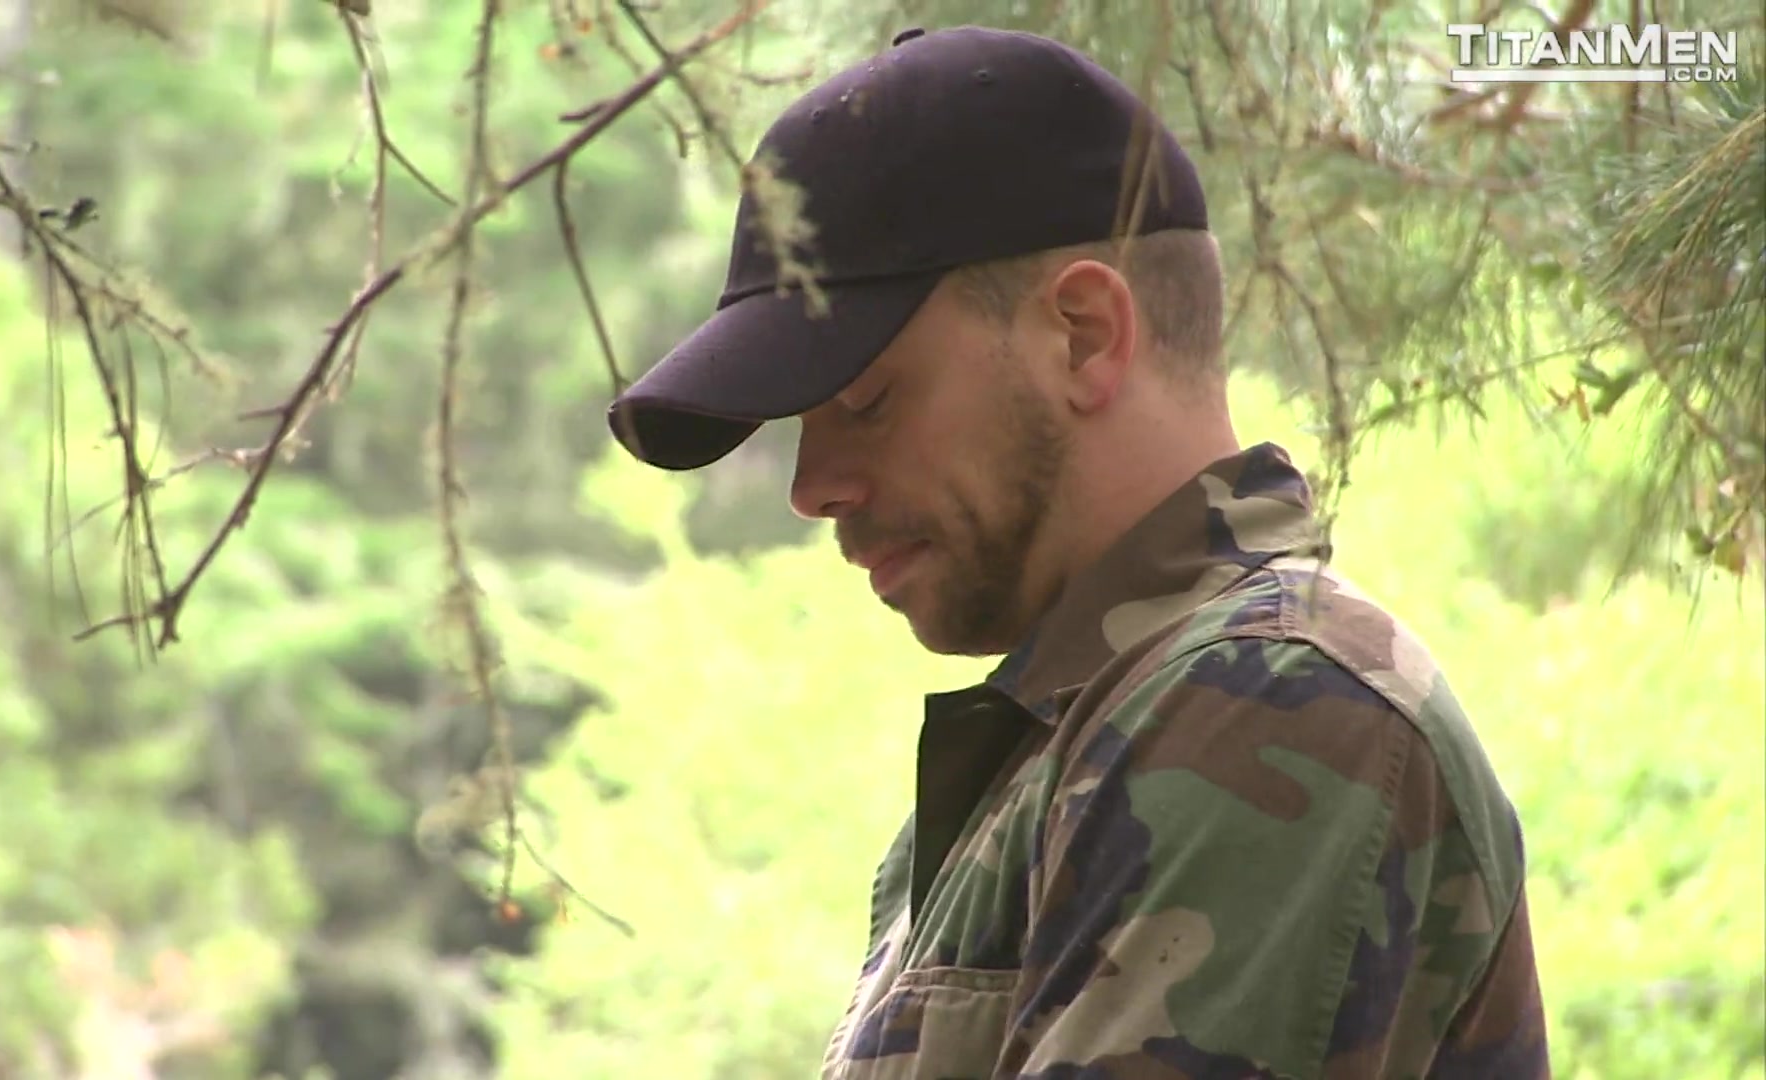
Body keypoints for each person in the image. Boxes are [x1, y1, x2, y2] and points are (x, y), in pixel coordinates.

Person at [605, 24, 1550, 1080]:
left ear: (1085, 336)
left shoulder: (1269, 700)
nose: (811, 487)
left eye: (864, 400)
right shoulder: (1072, 742)